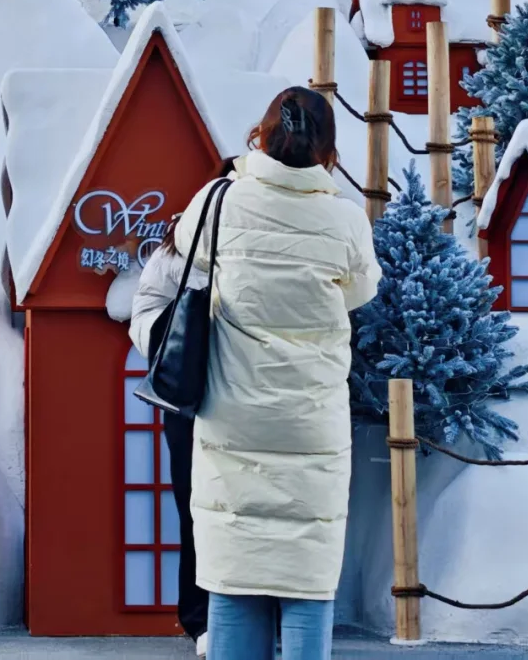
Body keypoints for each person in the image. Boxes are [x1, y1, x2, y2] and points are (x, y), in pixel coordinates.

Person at [173, 86, 380, 660]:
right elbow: (359, 293)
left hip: (231, 426)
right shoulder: (344, 221)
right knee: (307, 585)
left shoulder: (219, 202)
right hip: (311, 430)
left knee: (234, 583)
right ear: (329, 151)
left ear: (261, 137)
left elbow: (185, 253)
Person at [130, 156, 239, 656]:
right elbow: (145, 306)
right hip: (192, 400)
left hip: (247, 396)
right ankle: (200, 620)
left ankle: (247, 615)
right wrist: (176, 334)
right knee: (197, 507)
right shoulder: (183, 243)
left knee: (248, 509)